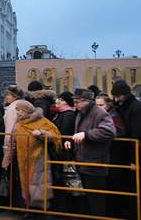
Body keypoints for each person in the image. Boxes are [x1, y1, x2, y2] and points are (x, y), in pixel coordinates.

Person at [2, 100, 61, 219]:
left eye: (21, 110)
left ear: (28, 111)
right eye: (17, 110)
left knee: (39, 185)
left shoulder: (41, 121)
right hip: (23, 160)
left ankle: (41, 211)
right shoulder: (18, 125)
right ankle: (30, 210)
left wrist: (42, 133)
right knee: (26, 185)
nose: (18, 113)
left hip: (38, 158)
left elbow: (55, 134)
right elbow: (12, 143)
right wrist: (6, 159)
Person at [64, 88, 116, 217]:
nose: (75, 105)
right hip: (83, 162)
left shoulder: (99, 113)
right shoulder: (81, 113)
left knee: (96, 201)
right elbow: (81, 133)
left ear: (86, 101)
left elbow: (109, 131)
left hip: (95, 164)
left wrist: (86, 135)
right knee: (85, 200)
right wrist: (72, 140)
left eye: (77, 102)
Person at [112, 80, 141, 219]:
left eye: (117, 96)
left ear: (124, 94)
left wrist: (133, 159)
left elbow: (136, 135)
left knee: (133, 186)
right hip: (126, 153)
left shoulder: (135, 107)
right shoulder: (125, 106)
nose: (116, 99)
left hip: (131, 154)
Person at [50, 91, 76, 213]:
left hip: (63, 154)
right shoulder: (60, 113)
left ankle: (64, 209)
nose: (58, 101)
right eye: (58, 98)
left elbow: (64, 132)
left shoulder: (69, 114)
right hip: (58, 153)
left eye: (61, 99)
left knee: (63, 181)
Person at [3, 85, 24, 153]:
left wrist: (7, 145)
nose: (6, 97)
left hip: (12, 143)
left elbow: (10, 128)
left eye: (9, 95)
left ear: (15, 96)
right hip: (21, 141)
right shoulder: (23, 106)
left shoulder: (12, 109)